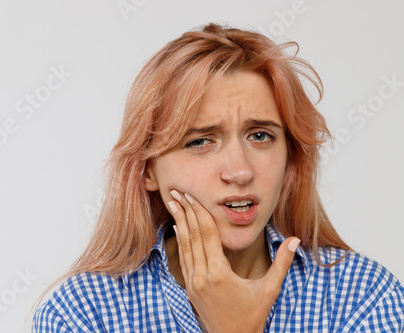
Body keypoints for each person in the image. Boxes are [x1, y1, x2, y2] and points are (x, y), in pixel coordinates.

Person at [32, 23, 404, 332]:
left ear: (290, 159)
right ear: (148, 170)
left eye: (261, 136)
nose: (240, 172)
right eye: (199, 141)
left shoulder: (363, 297)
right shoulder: (81, 314)